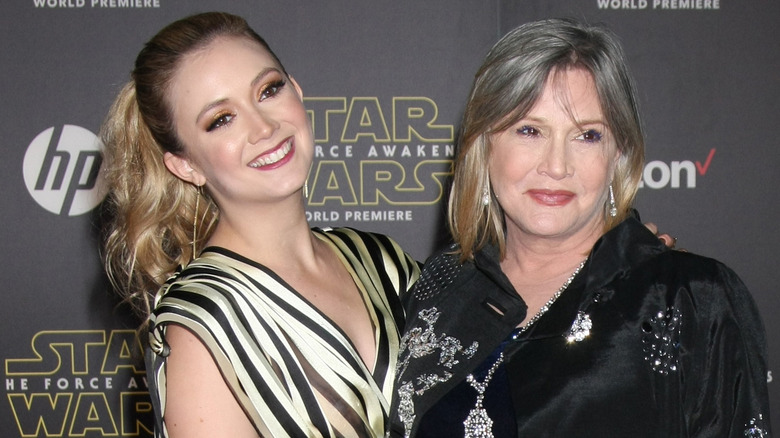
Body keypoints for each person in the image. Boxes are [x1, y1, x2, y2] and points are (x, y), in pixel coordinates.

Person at [389, 18, 771, 438]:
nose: (556, 165)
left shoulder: (689, 297)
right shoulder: (436, 286)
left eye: (587, 135)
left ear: (619, 155)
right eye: (529, 130)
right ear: (484, 145)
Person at [100, 12, 420, 437]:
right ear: (186, 164)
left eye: (268, 90)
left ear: (297, 89)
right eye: (222, 119)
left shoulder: (383, 261)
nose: (264, 127)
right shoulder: (204, 323)